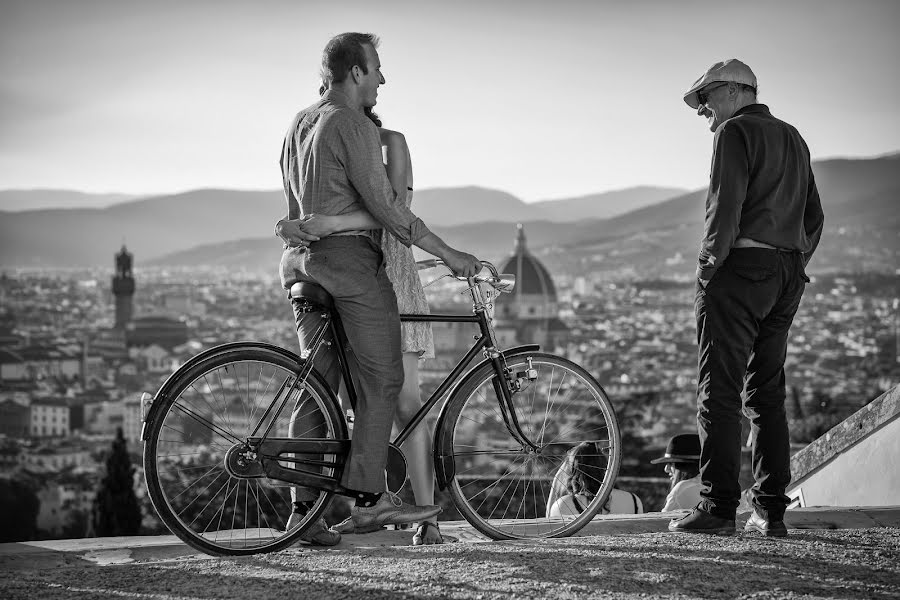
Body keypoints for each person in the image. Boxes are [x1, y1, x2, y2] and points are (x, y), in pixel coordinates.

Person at [275, 32, 482, 545]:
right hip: (349, 266)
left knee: (317, 389)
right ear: (356, 72)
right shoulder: (353, 125)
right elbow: (391, 211)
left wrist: (308, 224)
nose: (383, 79)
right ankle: (369, 500)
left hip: (301, 265)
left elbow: (298, 204)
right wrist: (450, 254)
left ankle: (305, 514)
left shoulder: (301, 122)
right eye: (377, 69)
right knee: (383, 379)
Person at [669, 59, 824, 537]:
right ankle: (771, 510)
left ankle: (718, 508)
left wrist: (708, 266)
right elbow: (815, 215)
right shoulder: (793, 136)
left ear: (737, 91)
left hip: (739, 271)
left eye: (708, 99)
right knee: (767, 393)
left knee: (719, 393)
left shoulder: (734, 132)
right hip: (786, 274)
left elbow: (725, 203)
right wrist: (796, 261)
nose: (705, 113)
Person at [295, 100, 445, 545]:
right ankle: (368, 502)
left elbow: (393, 212)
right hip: (357, 275)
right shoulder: (331, 160)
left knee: (405, 403)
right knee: (357, 403)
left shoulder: (384, 148)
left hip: (389, 273)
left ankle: (425, 518)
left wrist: (326, 221)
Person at [545, 442, 643, 518]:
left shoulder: (565, 504)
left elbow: (550, 527)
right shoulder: (633, 500)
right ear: (605, 467)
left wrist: (556, 480)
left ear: (572, 471)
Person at [651, 434, 703, 512]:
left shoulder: (682, 489)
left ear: (684, 467)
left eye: (671, 464)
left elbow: (662, 523)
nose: (666, 469)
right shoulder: (719, 485)